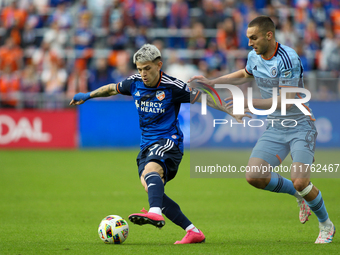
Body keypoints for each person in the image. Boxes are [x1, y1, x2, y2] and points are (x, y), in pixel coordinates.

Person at [70, 44, 248, 244]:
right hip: (146, 144)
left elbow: (203, 97)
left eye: (147, 68)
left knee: (152, 171)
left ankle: (154, 212)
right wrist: (88, 95)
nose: (143, 73)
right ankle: (192, 231)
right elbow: (112, 89)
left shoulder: (173, 86)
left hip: (168, 142)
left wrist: (231, 110)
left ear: (159, 65)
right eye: (139, 69)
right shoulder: (135, 82)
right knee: (152, 187)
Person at [188, 16, 335, 244]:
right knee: (254, 176)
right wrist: (211, 82)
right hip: (275, 126)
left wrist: (250, 101)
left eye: (253, 38)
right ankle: (298, 195)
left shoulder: (288, 58)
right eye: (248, 38)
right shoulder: (254, 56)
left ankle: (326, 224)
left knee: (300, 180)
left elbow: (288, 101)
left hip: (300, 125)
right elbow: (245, 74)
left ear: (269, 35)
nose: (249, 43)